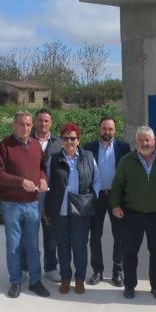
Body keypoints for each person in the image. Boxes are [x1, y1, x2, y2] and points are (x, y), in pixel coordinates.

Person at [0, 111, 50, 298]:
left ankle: (35, 281)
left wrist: (42, 179)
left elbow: (41, 168)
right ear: (14, 125)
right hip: (11, 205)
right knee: (14, 245)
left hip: (33, 204)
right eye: (21, 124)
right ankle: (15, 281)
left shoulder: (35, 146)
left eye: (28, 124)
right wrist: (20, 182)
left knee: (33, 246)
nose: (25, 128)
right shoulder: (4, 146)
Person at [111, 126, 156, 300]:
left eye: (148, 140)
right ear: (136, 142)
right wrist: (115, 205)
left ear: (154, 141)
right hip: (132, 214)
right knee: (130, 253)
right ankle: (129, 285)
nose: (145, 143)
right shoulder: (126, 161)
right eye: (141, 140)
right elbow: (117, 186)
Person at [44, 123, 101, 295]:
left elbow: (96, 179)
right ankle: (66, 279)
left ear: (79, 140)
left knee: (80, 247)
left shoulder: (88, 157)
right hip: (60, 212)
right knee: (63, 247)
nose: (69, 141)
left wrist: (93, 197)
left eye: (73, 138)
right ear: (61, 140)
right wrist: (46, 210)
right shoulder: (53, 159)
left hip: (81, 211)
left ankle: (79, 279)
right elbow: (46, 184)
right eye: (66, 138)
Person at [84, 116, 130, 287]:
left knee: (120, 236)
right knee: (95, 236)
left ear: (115, 130)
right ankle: (97, 271)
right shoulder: (89, 147)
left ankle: (118, 272)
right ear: (99, 129)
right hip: (96, 196)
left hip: (116, 196)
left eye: (110, 129)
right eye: (104, 128)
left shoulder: (123, 147)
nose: (107, 132)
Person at [30, 108, 62, 283]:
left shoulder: (58, 142)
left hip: (50, 198)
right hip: (29, 196)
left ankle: (50, 267)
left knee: (51, 235)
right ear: (35, 122)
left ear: (51, 122)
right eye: (40, 120)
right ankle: (26, 268)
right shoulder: (26, 139)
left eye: (46, 121)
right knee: (28, 235)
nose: (43, 123)